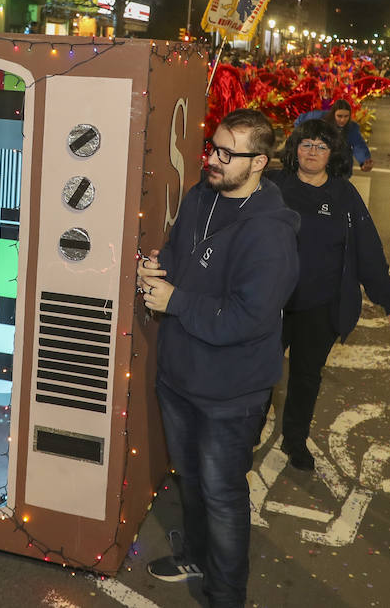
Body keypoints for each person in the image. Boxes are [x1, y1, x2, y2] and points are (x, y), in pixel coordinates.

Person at [137, 108, 300, 607]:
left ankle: (226, 594)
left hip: (231, 392)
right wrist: (157, 268)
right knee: (190, 480)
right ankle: (199, 556)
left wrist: (176, 300)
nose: (214, 158)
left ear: (259, 163)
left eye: (228, 154)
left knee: (223, 496)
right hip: (180, 376)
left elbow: (249, 319)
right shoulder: (201, 195)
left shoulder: (270, 232)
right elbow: (179, 254)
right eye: (213, 146)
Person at [268, 119, 390, 472]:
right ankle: (245, 437)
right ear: (294, 148)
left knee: (306, 377)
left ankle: (295, 440)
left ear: (332, 153)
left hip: (319, 307)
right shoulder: (273, 185)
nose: (312, 152)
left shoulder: (343, 195)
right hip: (269, 303)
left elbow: (368, 249)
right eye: (306, 144)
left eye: (321, 146)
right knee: (258, 376)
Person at [295, 98, 372, 171]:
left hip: (339, 166)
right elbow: (300, 121)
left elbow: (358, 145)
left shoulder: (351, 128)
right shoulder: (319, 117)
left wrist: (364, 161)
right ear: (333, 114)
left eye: (346, 116)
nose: (343, 120)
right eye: (339, 116)